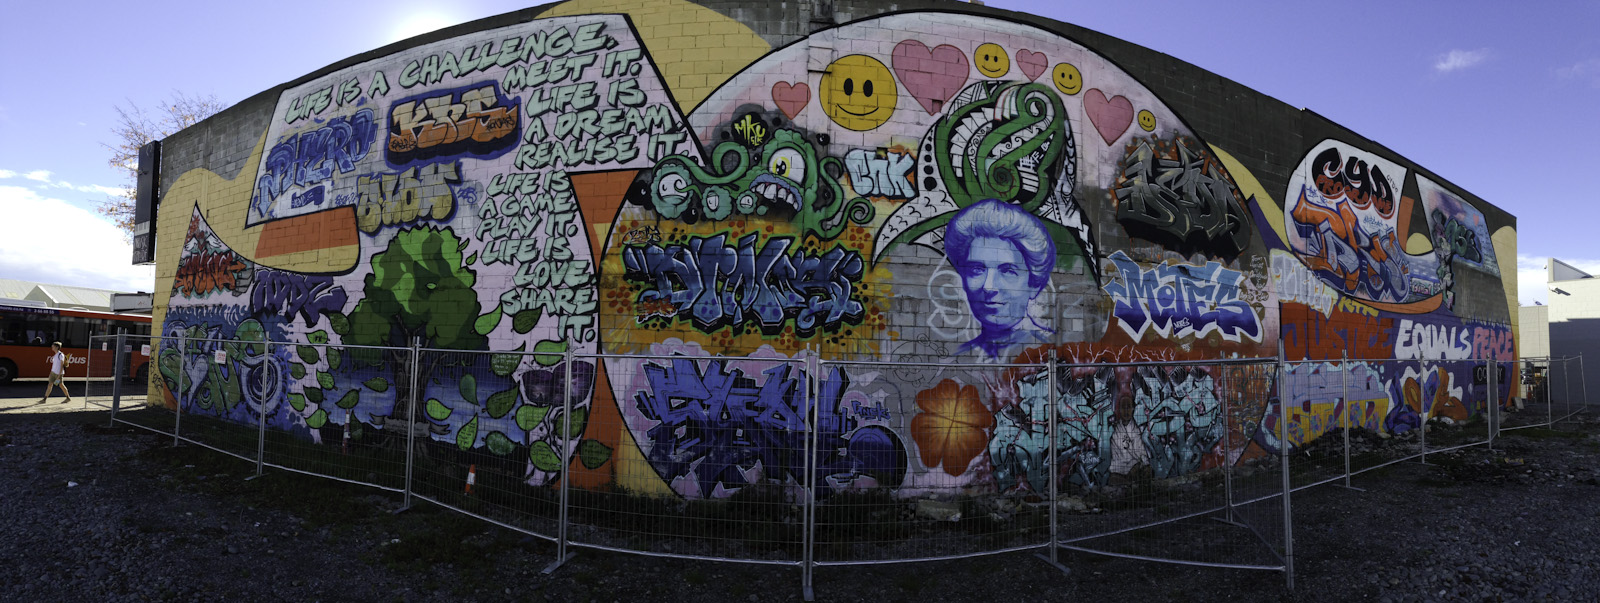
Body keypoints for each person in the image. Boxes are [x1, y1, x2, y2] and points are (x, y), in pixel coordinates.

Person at [944, 199, 1055, 358]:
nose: (989, 287)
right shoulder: (958, 360)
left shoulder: (1054, 356)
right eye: (977, 270)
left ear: (1034, 284)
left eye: (1008, 271)